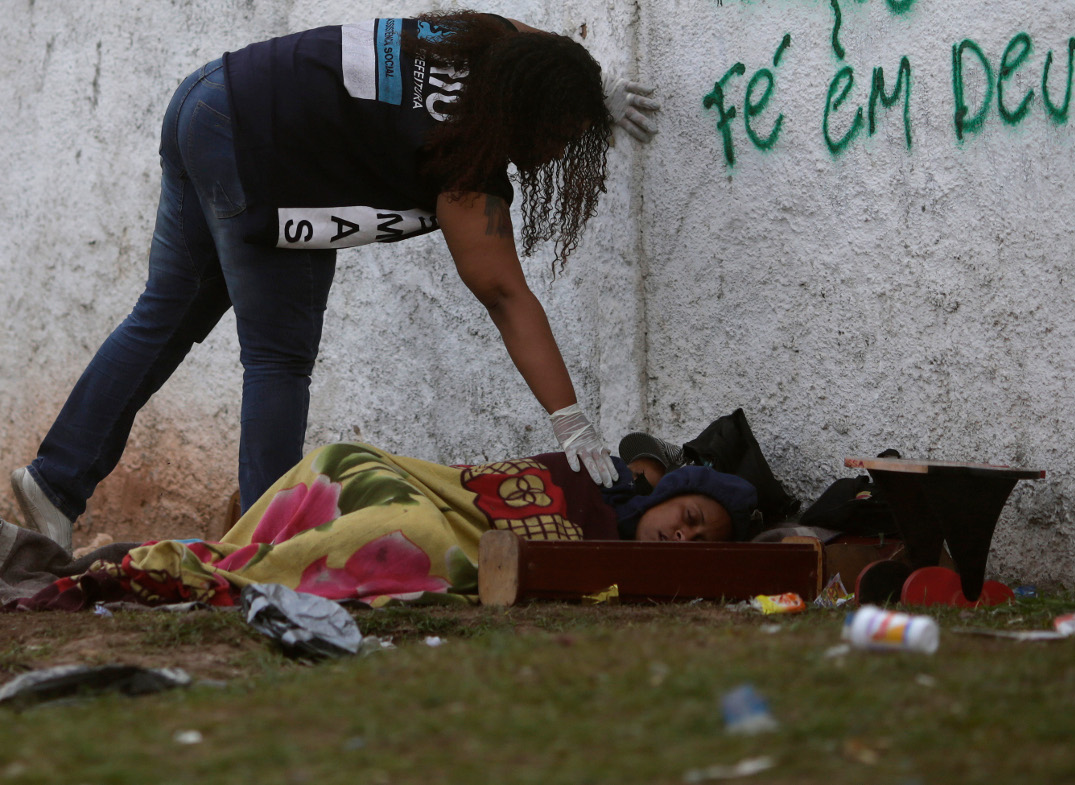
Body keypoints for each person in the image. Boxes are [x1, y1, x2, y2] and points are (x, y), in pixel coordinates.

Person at [9, 11, 662, 552]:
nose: (559, 153)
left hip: (209, 96)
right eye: (559, 136)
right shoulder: (468, 160)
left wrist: (592, 86)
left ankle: (55, 482)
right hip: (274, 155)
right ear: (527, 113)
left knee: (164, 314)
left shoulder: (491, 44)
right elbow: (505, 295)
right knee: (279, 357)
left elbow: (533, 43)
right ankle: (263, 551)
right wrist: (571, 423)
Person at [4, 439, 760, 611]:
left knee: (414, 536)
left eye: (702, 544)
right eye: (691, 517)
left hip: (426, 531)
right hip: (399, 483)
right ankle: (197, 561)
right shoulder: (588, 478)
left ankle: (158, 564)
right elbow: (468, 489)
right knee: (354, 474)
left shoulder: (612, 577)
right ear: (670, 492)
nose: (685, 537)